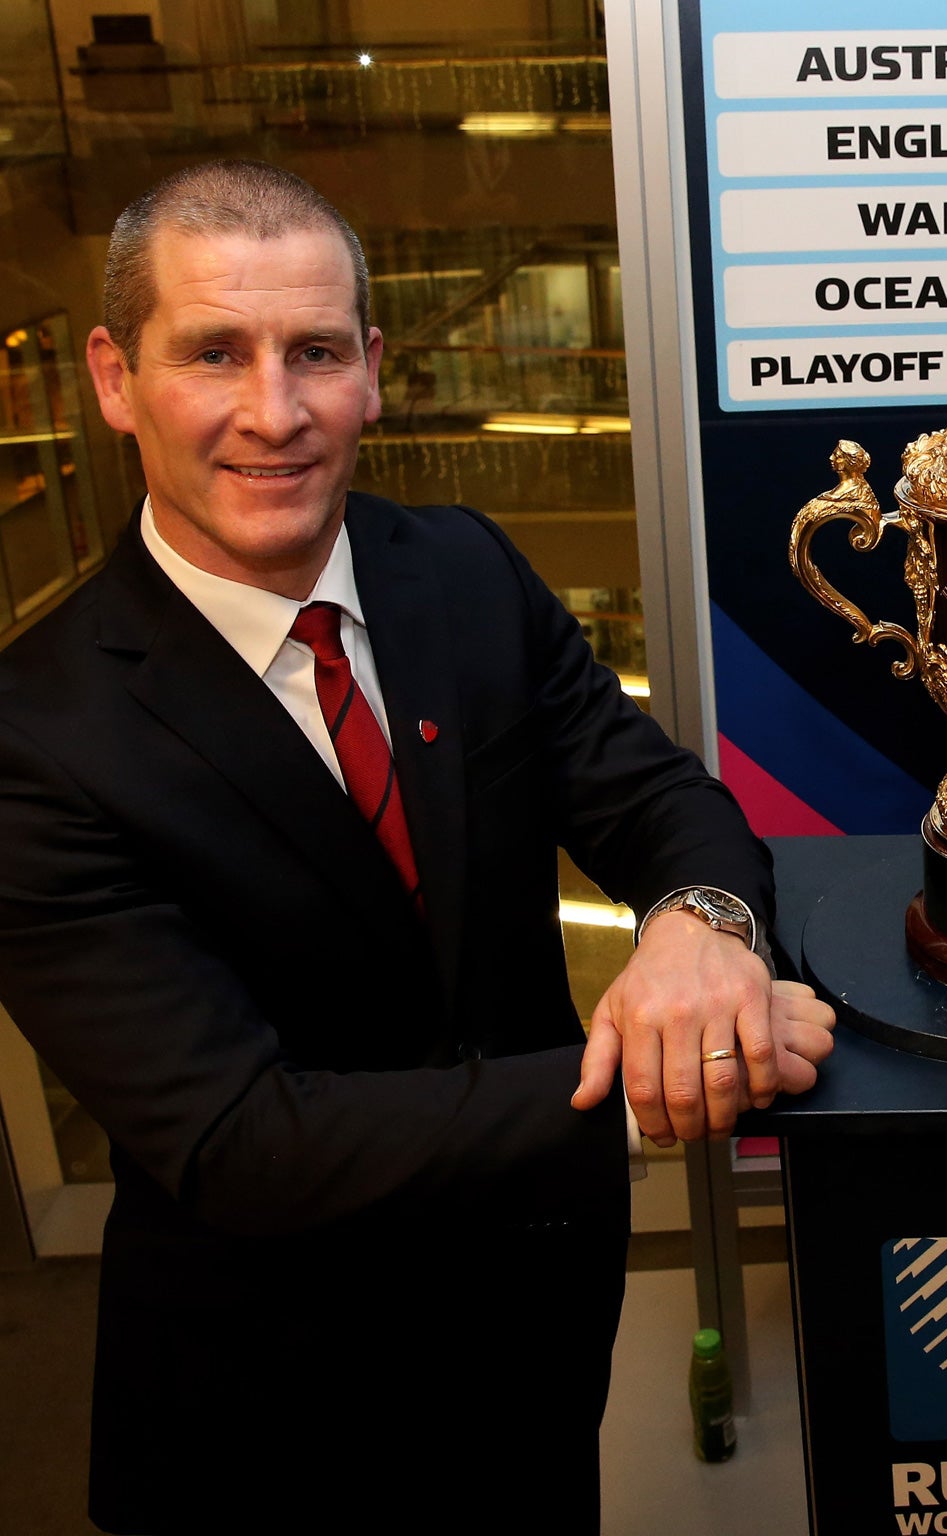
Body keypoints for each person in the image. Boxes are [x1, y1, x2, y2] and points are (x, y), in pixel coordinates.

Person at [0, 160, 833, 1534]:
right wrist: (648, 1078)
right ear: (112, 375)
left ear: (374, 371)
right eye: (216, 352)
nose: (274, 413)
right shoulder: (37, 738)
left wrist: (704, 927)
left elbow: (653, 797)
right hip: (274, 1404)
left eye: (314, 352)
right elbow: (238, 1137)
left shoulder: (459, 567)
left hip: (534, 1323)